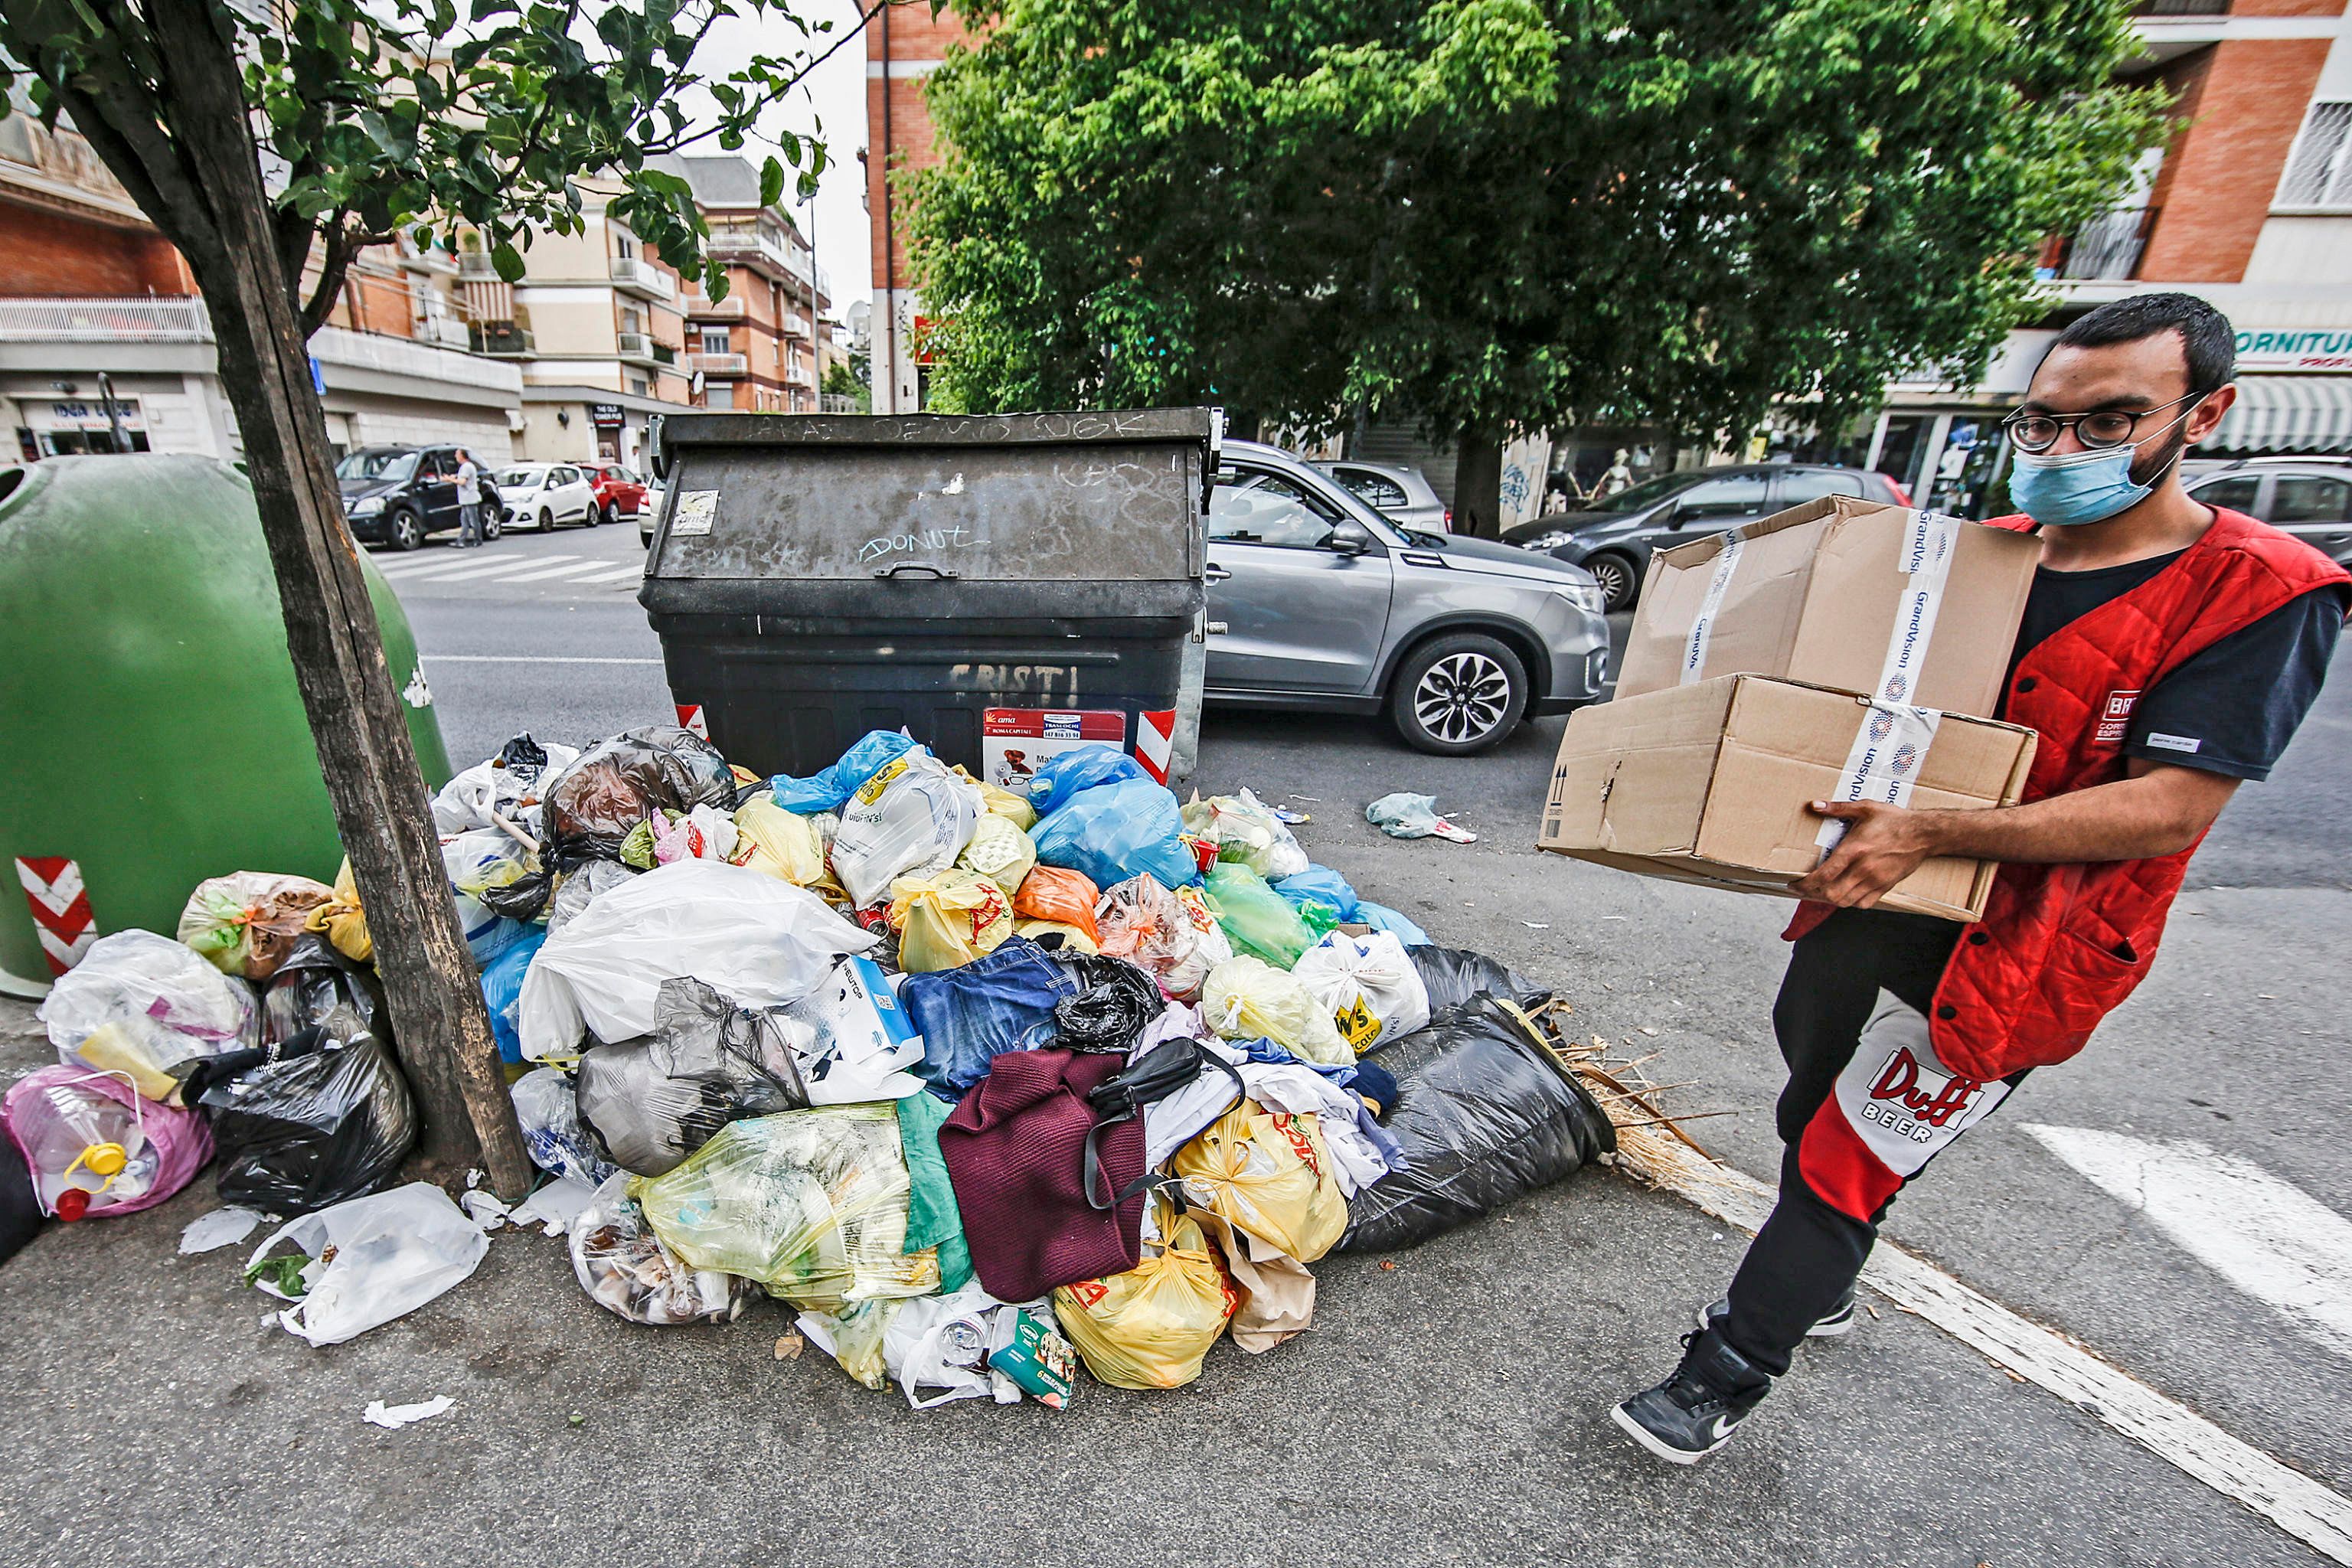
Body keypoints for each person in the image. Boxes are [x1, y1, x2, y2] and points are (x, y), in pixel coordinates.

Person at [1609, 292, 2350, 1465]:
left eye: (2108, 424)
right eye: (2042, 425)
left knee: (1851, 1154)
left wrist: (1936, 832)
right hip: (1876, 893)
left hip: (2032, 946)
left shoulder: (2261, 591)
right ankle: (1828, 1261)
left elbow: (2172, 806)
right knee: (1812, 1097)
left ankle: (1724, 1371)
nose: (2065, 452)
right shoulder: (1982, 560)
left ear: (2201, 416)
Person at [455, 451, 484, 547]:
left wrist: (450, 480)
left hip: (470, 498)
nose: (455, 456)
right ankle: (461, 540)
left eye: (457, 454)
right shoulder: (465, 467)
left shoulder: (467, 466)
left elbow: (463, 482)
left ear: (462, 456)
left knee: (473, 520)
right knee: (464, 520)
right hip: (465, 499)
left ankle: (478, 539)